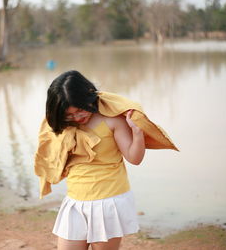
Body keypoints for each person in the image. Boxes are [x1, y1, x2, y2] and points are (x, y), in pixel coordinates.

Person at [35, 70, 178, 250]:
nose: (78, 118)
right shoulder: (61, 125)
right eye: (70, 115)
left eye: (80, 110)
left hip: (109, 201)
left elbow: (134, 158)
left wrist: (137, 132)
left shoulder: (112, 120)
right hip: (75, 200)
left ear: (88, 97)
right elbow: (51, 154)